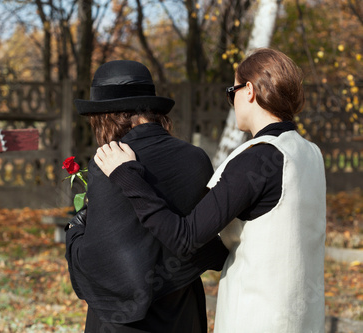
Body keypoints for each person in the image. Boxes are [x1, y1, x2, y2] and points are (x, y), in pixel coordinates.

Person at [94, 49, 326, 332]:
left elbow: (185, 238)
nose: (233, 102)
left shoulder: (257, 159)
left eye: (233, 91)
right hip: (305, 317)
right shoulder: (310, 153)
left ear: (249, 91)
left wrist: (127, 177)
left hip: (258, 316)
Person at [65, 60, 229, 332]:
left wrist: (74, 230)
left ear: (107, 115)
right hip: (183, 312)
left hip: (125, 321)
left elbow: (100, 262)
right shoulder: (196, 158)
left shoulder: (107, 162)